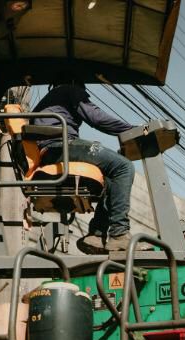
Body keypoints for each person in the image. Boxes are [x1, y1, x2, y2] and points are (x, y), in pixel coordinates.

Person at [30, 83, 138, 255]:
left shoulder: (48, 102)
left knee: (111, 178)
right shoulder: (70, 89)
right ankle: (119, 234)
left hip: (53, 151)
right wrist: (132, 129)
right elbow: (96, 118)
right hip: (61, 146)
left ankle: (96, 234)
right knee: (123, 166)